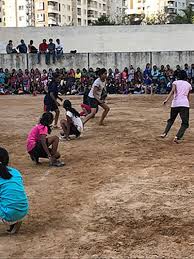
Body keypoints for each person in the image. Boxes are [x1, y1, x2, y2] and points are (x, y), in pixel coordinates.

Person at [0, 147, 29, 234]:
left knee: (6, 197)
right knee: (12, 195)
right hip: (23, 211)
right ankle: (16, 224)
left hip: (8, 214)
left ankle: (11, 219)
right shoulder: (15, 172)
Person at [161, 70, 192, 143]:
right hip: (184, 104)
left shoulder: (175, 82)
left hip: (175, 104)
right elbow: (188, 96)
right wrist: (188, 104)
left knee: (171, 120)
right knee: (185, 123)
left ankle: (164, 133)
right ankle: (177, 137)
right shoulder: (188, 84)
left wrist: (166, 100)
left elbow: (172, 92)